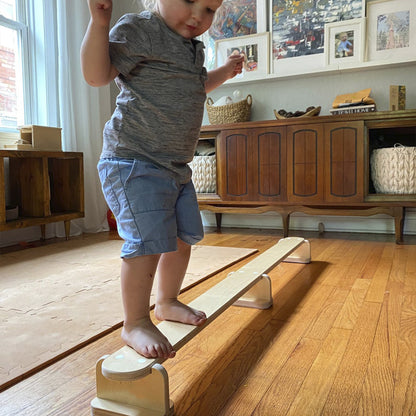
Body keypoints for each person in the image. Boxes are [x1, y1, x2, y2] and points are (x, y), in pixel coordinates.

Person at [80, 0, 244, 360]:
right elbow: (96, 76)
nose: (199, 16)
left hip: (175, 166)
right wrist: (99, 22)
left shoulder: (192, 47)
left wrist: (225, 73)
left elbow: (197, 87)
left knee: (180, 240)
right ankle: (134, 321)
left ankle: (167, 301)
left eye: (210, 9)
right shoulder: (139, 29)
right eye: (189, 1)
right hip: (133, 159)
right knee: (147, 243)